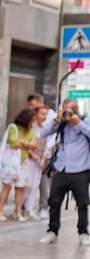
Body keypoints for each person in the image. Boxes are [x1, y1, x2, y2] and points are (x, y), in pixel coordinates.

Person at [39, 100, 90, 247]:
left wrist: (78, 122)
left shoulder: (85, 120)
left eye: (70, 110)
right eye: (65, 110)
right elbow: (43, 132)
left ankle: (83, 232)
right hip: (61, 168)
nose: (68, 113)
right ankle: (52, 231)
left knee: (82, 202)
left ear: (76, 108)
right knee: (54, 200)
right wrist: (57, 119)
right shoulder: (61, 122)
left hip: (80, 168)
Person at [0, 109, 36, 222]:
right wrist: (27, 143)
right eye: (32, 119)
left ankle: (18, 212)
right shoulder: (13, 128)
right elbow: (13, 142)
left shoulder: (31, 130)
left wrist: (24, 143)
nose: (33, 122)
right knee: (7, 187)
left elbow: (34, 144)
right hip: (11, 162)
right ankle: (0, 211)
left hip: (23, 162)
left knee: (20, 188)